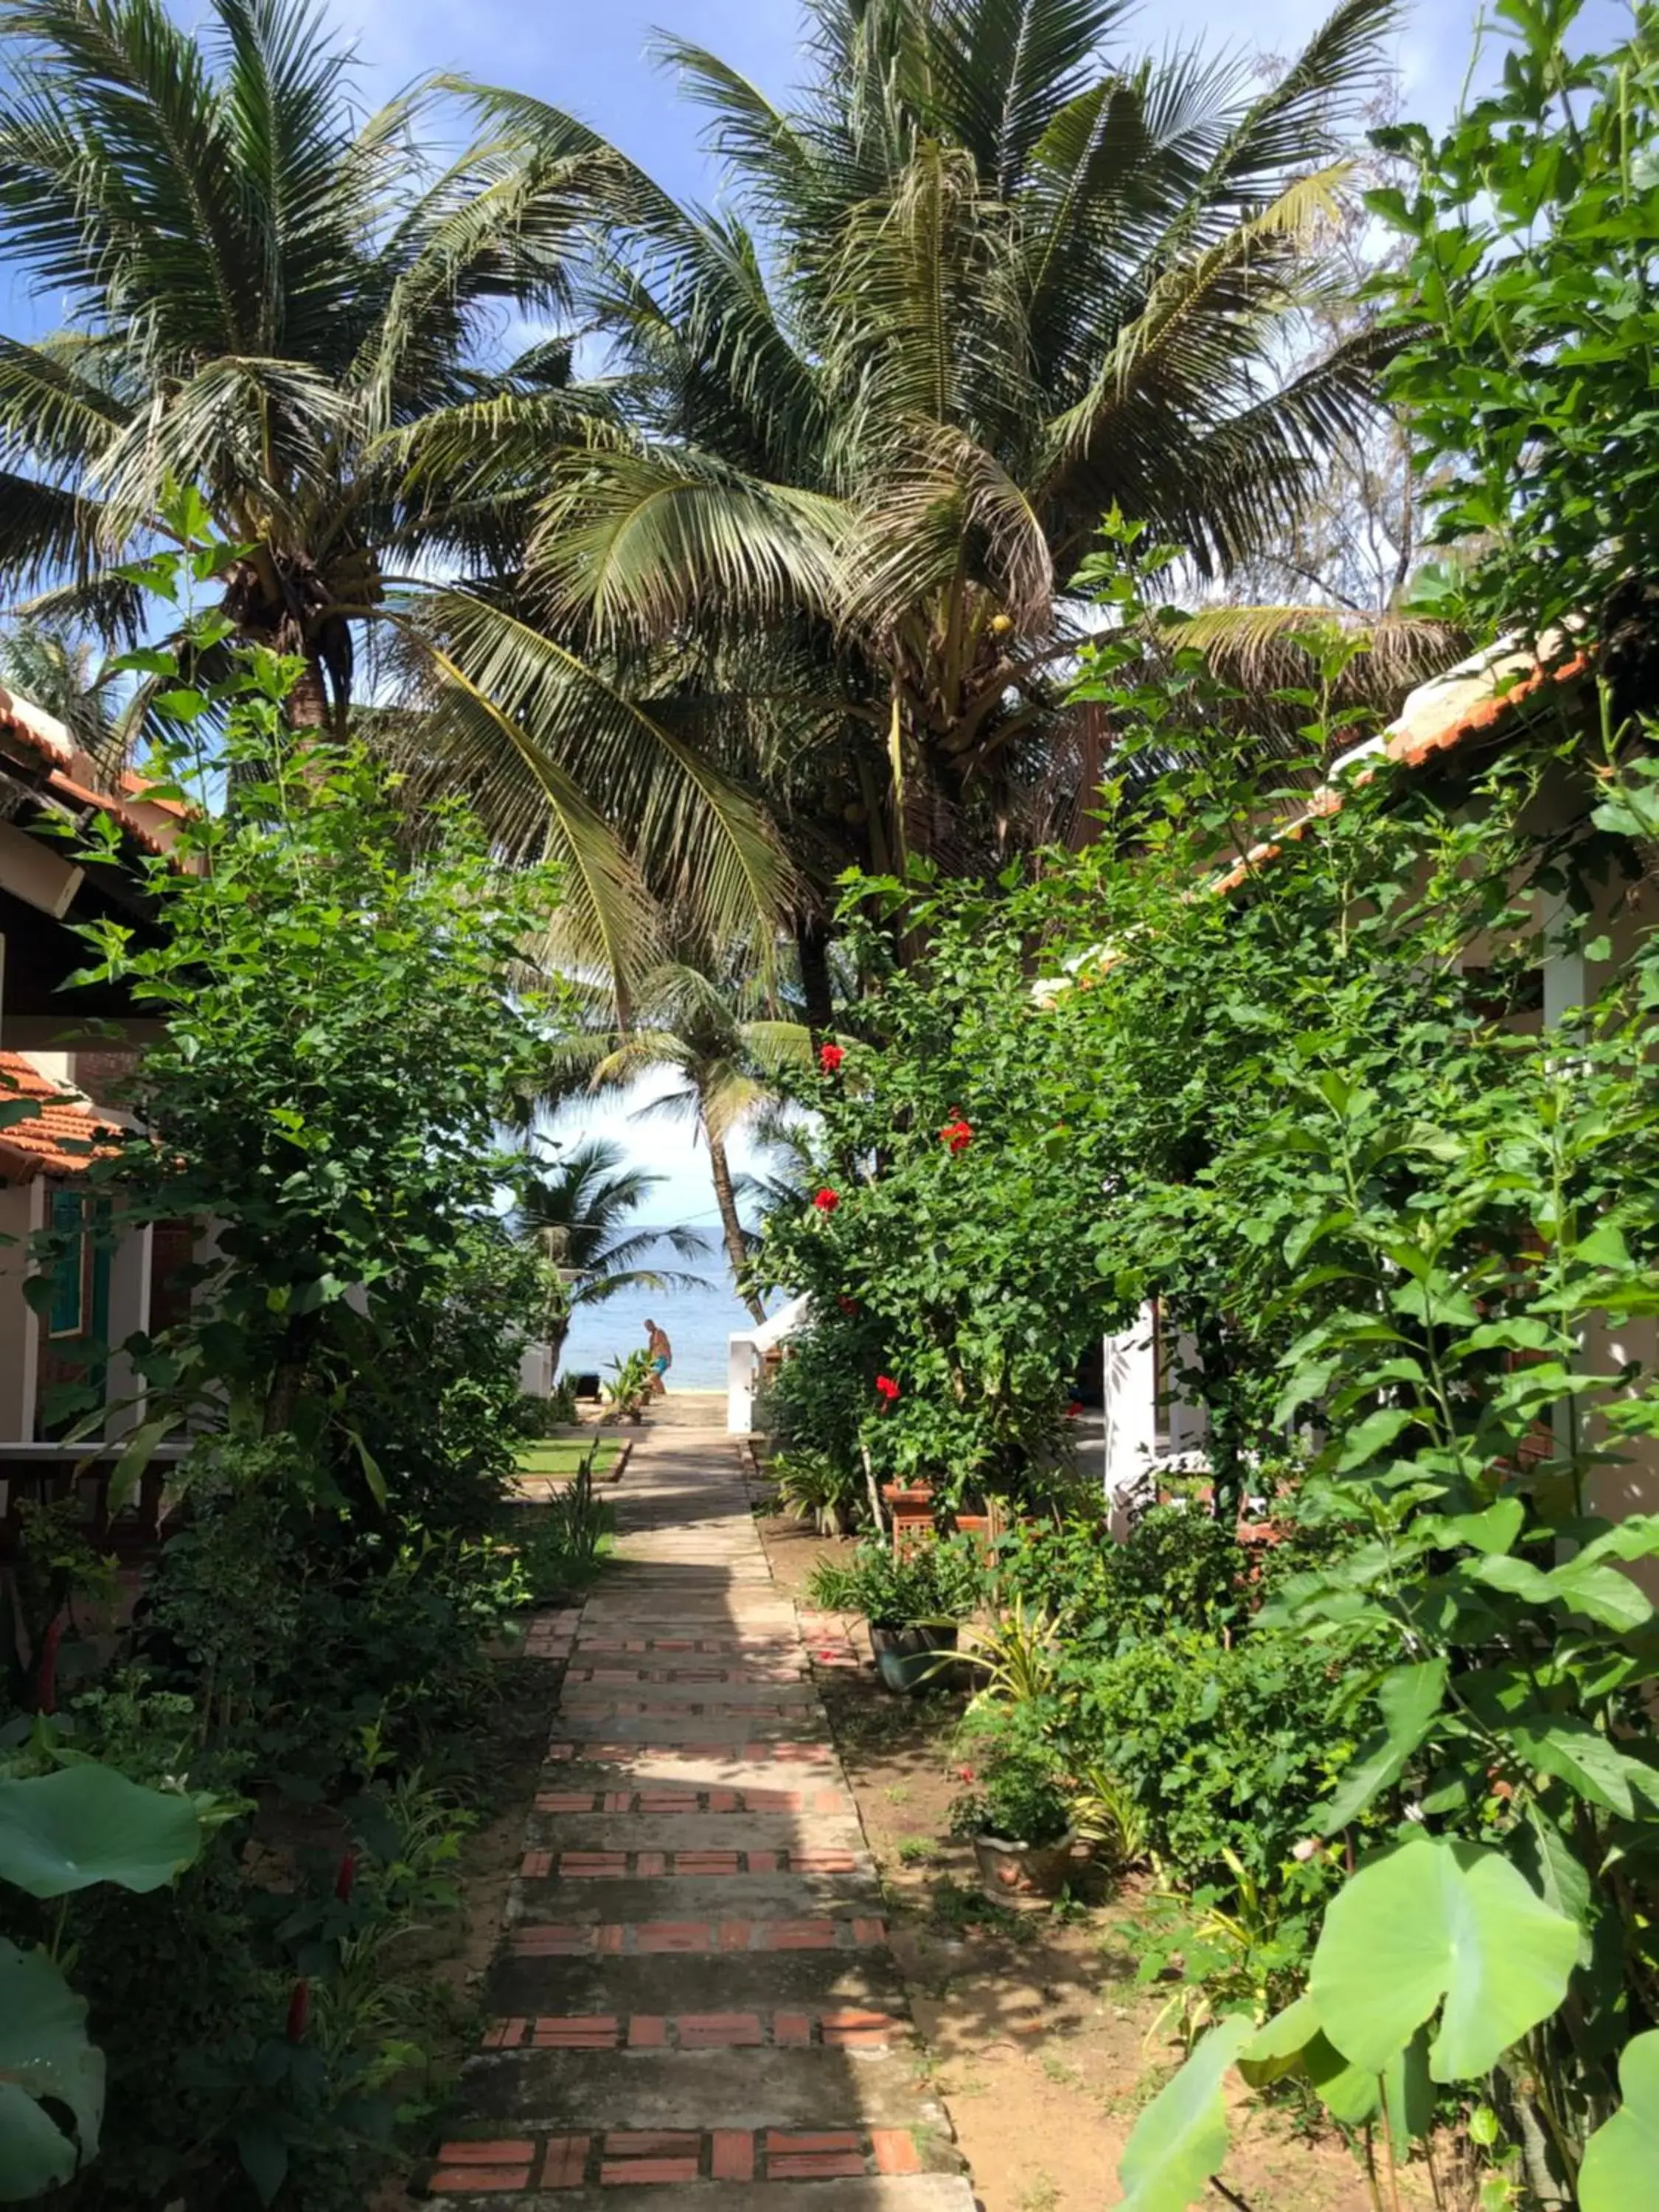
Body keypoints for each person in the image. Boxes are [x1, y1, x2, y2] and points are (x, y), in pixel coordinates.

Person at [644, 1318, 672, 1396]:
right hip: (655, 1360)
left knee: (655, 1377)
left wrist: (669, 1359)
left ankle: (661, 1393)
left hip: (663, 1358)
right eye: (647, 1327)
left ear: (653, 1324)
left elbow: (667, 1345)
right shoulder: (651, 1337)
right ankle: (661, 1393)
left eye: (649, 1326)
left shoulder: (660, 1333)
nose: (648, 1328)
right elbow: (650, 1350)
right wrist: (648, 1362)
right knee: (655, 1378)